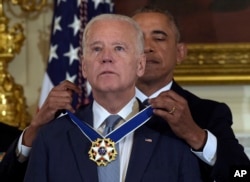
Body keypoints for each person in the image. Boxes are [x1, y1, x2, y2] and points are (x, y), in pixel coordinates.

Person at [1, 6, 249, 182]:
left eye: (159, 38)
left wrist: (197, 137)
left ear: (180, 52)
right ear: (85, 65)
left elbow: (242, 174)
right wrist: (35, 129)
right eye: (139, 38)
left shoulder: (200, 118)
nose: (149, 46)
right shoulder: (67, 128)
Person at [23, 14, 201, 182]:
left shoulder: (172, 136)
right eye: (97, 49)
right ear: (84, 67)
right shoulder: (52, 137)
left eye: (119, 48)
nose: (106, 57)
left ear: (140, 65)